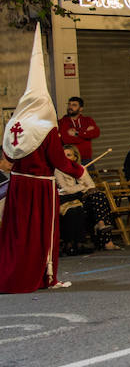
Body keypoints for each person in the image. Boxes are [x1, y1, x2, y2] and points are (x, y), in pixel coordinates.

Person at [0, 30, 86, 292]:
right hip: (39, 187)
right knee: (41, 233)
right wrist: (78, 169)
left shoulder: (13, 124)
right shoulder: (46, 128)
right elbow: (58, 159)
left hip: (17, 184)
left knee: (16, 232)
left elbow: (7, 156)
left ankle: (11, 272)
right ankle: (43, 275)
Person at [55, 144, 119, 251]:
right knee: (96, 201)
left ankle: (101, 225)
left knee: (99, 196)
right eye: (63, 155)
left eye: (69, 155)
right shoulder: (58, 170)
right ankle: (106, 239)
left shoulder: (80, 169)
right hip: (67, 200)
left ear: (75, 157)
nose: (66, 158)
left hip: (81, 198)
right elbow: (66, 189)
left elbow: (91, 186)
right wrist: (82, 186)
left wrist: (82, 186)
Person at [57, 96, 100, 162]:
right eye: (69, 104)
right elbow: (66, 140)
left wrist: (77, 133)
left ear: (81, 109)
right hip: (70, 160)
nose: (70, 107)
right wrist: (85, 134)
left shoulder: (88, 120)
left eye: (74, 105)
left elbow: (96, 133)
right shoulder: (61, 122)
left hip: (86, 159)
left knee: (92, 172)